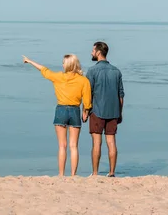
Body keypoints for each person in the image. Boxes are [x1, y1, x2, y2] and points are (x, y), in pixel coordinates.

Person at [22, 54, 92, 176]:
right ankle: (73, 174)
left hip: (61, 110)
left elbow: (44, 70)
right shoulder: (83, 80)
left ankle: (61, 174)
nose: (62, 65)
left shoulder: (58, 77)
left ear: (68, 64)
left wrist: (30, 61)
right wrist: (85, 113)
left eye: (64, 63)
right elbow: (87, 101)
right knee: (74, 146)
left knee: (62, 146)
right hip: (75, 111)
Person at [85, 41, 124, 177]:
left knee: (97, 142)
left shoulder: (92, 71)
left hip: (97, 110)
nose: (91, 52)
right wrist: (120, 112)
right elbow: (121, 95)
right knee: (111, 141)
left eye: (93, 50)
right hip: (113, 111)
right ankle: (112, 172)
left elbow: (88, 93)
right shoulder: (116, 71)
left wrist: (85, 111)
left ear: (98, 52)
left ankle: (95, 173)